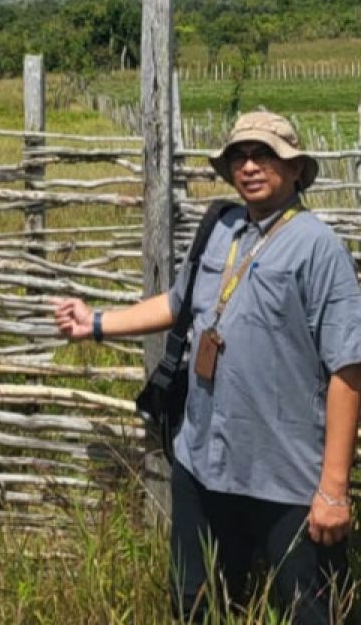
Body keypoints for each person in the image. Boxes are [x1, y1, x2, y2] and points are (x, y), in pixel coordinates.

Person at [53, 111, 361, 623]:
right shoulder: (222, 229)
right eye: (239, 156)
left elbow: (348, 369)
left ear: (294, 169)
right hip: (203, 465)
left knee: (315, 611)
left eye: (264, 155)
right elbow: (178, 304)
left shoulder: (317, 247)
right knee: (195, 604)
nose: (250, 165)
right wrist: (97, 322)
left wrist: (333, 488)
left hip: (287, 477)